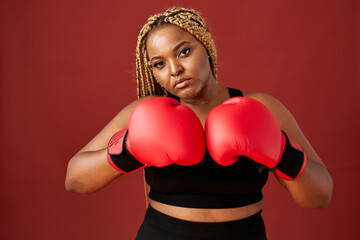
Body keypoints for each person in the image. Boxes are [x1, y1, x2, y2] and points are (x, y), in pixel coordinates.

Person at [65, 7, 333, 240]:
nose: (174, 69)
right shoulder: (145, 113)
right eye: (159, 64)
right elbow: (74, 179)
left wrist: (281, 151)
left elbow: (321, 196)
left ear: (206, 46)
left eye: (183, 52)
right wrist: (129, 148)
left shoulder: (262, 107)